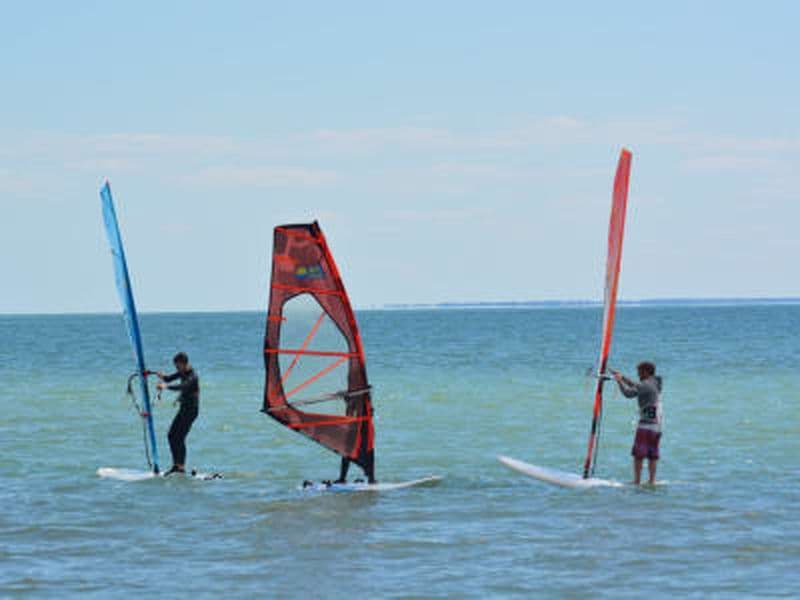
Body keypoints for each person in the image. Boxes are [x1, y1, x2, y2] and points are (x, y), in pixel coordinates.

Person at [612, 361, 663, 485]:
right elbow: (636, 385)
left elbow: (628, 394)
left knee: (638, 455)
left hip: (646, 425)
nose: (638, 374)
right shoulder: (655, 383)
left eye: (639, 372)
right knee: (652, 455)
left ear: (646, 372)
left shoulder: (646, 385)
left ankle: (637, 481)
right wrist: (622, 377)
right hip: (657, 425)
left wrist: (619, 381)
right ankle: (652, 481)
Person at [156, 352, 199, 476]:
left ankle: (180, 466)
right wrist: (162, 376)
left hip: (191, 411)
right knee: (172, 436)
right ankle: (177, 465)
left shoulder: (192, 375)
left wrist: (166, 386)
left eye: (177, 366)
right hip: (184, 409)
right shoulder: (183, 371)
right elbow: (169, 378)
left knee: (179, 437)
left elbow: (183, 386)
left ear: (184, 364)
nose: (176, 369)